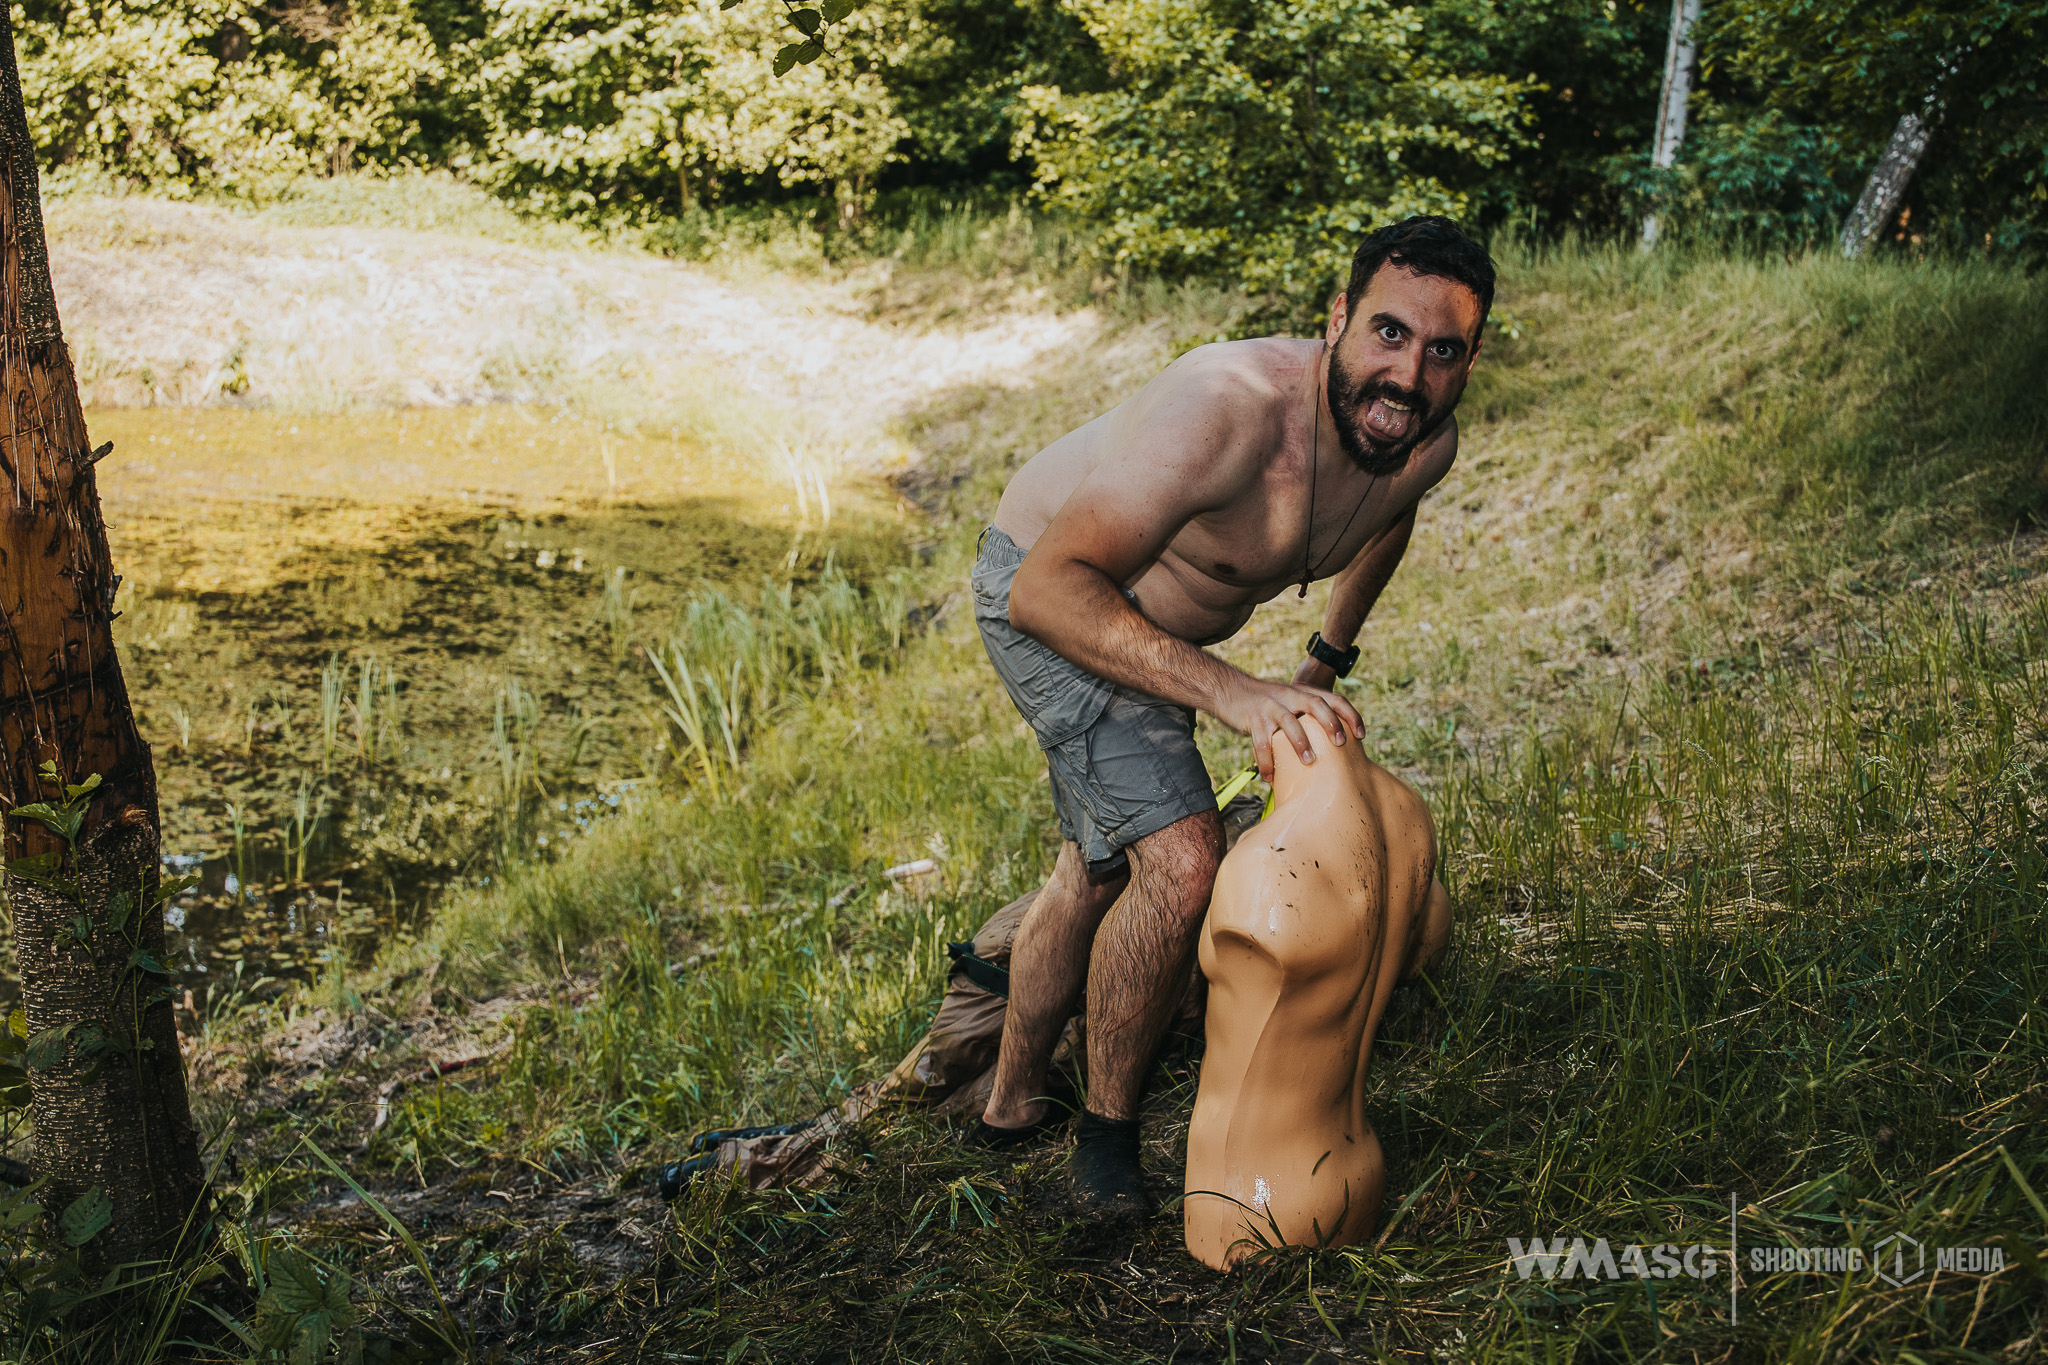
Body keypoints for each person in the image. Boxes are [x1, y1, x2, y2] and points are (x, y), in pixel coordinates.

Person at [969, 215, 1493, 1220]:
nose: (1407, 376)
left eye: (1442, 351)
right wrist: (1230, 688)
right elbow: (1049, 592)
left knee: (1096, 864)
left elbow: (1389, 517)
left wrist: (1325, 655)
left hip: (1146, 629)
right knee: (1180, 860)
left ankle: (1007, 1103)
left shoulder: (1419, 441)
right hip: (1051, 598)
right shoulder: (1224, 409)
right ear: (1336, 318)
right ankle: (1106, 1147)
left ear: (1468, 359)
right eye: (1386, 332)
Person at [1184, 714, 1452, 1268]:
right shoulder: (1410, 825)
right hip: (1359, 1175)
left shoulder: (1266, 866)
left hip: (1251, 1199)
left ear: (1267, 757)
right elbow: (1424, 945)